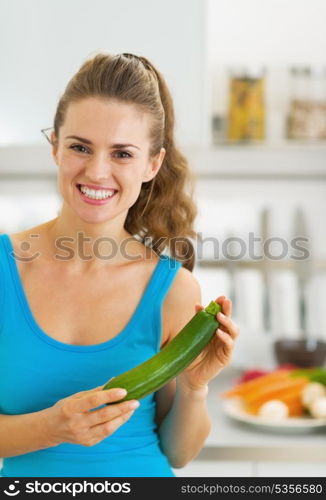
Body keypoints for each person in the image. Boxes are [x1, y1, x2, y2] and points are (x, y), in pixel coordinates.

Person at [0, 52, 239, 477]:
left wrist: (194, 387)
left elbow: (179, 453)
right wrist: (50, 428)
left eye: (122, 154)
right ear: (54, 146)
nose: (96, 171)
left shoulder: (174, 290)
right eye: (80, 147)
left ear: (152, 164)